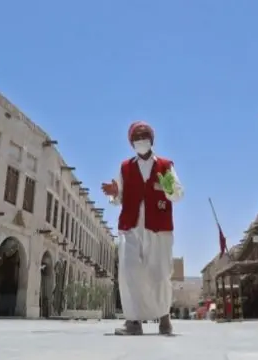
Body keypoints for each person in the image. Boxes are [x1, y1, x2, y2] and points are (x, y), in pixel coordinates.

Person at [101, 121, 184, 335]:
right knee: (129, 272)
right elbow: (118, 196)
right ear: (131, 142)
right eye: (137, 137)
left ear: (152, 139)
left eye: (144, 135)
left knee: (160, 273)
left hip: (159, 228)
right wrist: (113, 192)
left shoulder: (165, 165)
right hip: (131, 227)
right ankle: (133, 322)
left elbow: (177, 194)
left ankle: (164, 318)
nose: (141, 139)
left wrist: (167, 187)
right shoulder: (125, 167)